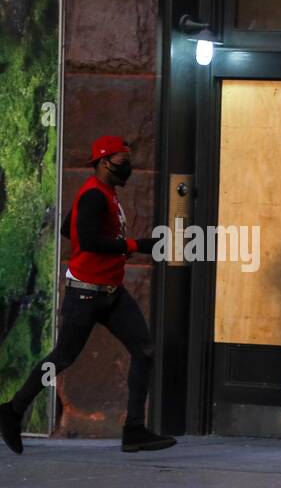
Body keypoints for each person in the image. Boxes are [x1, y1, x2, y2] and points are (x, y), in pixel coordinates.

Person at [0, 135, 173, 455]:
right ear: (104, 163)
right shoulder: (94, 196)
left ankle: (134, 430)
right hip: (86, 294)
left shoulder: (103, 193)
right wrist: (138, 245)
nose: (128, 168)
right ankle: (12, 410)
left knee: (144, 350)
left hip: (111, 292)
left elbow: (70, 229)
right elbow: (89, 241)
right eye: (123, 163)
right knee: (62, 357)